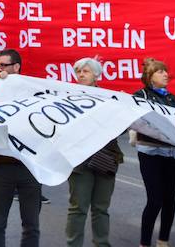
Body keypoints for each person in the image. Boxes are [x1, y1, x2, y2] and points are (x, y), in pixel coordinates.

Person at [65, 58, 123, 247]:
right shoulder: (67, 97)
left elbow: (120, 128)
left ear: (96, 75)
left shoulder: (110, 98)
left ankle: (102, 243)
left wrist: (122, 108)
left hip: (106, 159)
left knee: (101, 208)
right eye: (79, 71)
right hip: (79, 161)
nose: (81, 75)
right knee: (78, 208)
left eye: (86, 71)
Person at [0, 48, 41, 247]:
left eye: (4, 65)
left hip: (29, 166)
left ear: (16, 67)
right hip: (1, 165)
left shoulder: (33, 91)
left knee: (31, 225)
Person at [134, 58, 175, 247]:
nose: (165, 74)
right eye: (160, 72)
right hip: (151, 153)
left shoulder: (172, 98)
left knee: (170, 200)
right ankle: (144, 242)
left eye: (165, 71)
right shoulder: (140, 96)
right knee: (155, 199)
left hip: (174, 153)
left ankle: (163, 240)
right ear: (150, 77)